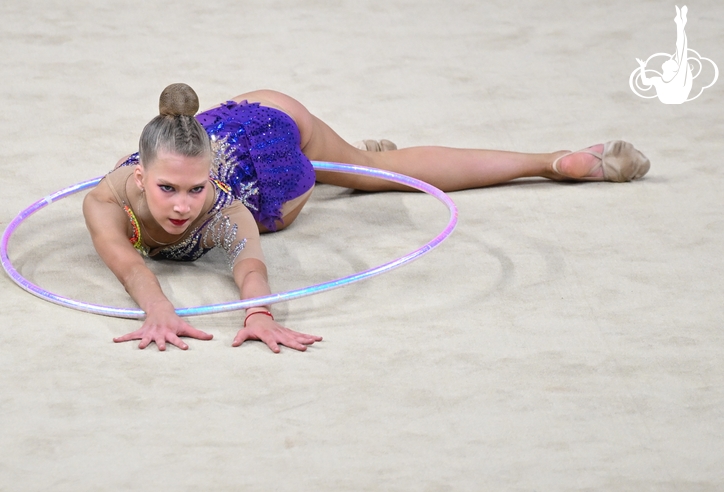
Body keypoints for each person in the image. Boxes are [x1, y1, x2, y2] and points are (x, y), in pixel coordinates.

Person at [82, 83, 650, 353]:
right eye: (167, 189)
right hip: (258, 108)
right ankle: (353, 159)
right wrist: (158, 310)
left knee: (377, 172)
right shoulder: (103, 201)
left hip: (276, 167)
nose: (183, 205)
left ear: (211, 177)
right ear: (138, 176)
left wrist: (258, 312)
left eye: (194, 189)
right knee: (364, 165)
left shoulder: (227, 206)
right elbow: (130, 269)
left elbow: (249, 266)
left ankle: (555, 163)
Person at [636, 5, 693, 104]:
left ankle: (680, 23)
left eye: (670, 62)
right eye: (671, 61)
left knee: (681, 51)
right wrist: (642, 67)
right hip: (673, 97)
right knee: (681, 51)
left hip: (675, 96)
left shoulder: (673, 78)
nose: (668, 60)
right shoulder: (660, 80)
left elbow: (681, 49)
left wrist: (642, 67)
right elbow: (645, 82)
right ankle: (680, 23)